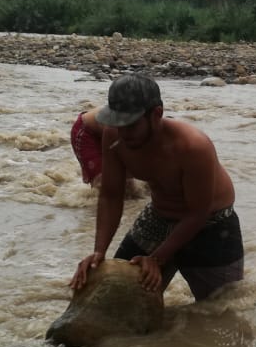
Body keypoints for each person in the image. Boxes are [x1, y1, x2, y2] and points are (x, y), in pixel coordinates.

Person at [69, 73, 244, 301]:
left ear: (156, 114)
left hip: (212, 223)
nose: (123, 133)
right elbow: (111, 196)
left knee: (222, 310)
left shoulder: (192, 146)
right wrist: (98, 252)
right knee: (119, 298)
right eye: (117, 124)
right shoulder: (114, 136)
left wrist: (157, 258)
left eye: (130, 126)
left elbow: (198, 213)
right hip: (159, 216)